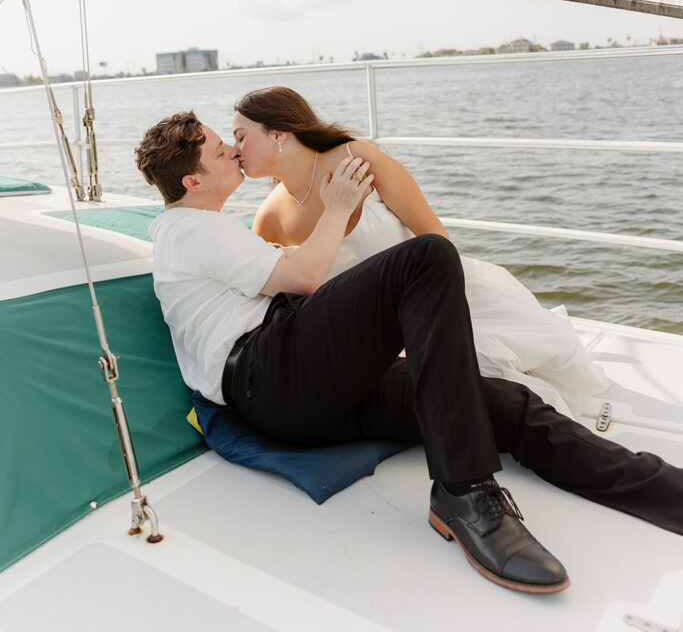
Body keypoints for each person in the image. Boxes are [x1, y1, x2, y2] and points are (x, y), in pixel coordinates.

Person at [136, 111, 683, 598]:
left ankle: (662, 488)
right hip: (271, 377)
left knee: (505, 404)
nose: (232, 150)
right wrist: (340, 207)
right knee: (424, 258)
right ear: (194, 180)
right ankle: (465, 493)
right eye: (218, 148)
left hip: (304, 383)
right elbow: (302, 279)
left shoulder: (207, 232)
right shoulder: (189, 229)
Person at [233, 87, 608, 417]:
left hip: (436, 295)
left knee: (517, 362)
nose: (235, 151)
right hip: (374, 335)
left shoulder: (356, 158)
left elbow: (434, 234)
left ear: (278, 133)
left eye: (241, 136)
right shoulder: (268, 218)